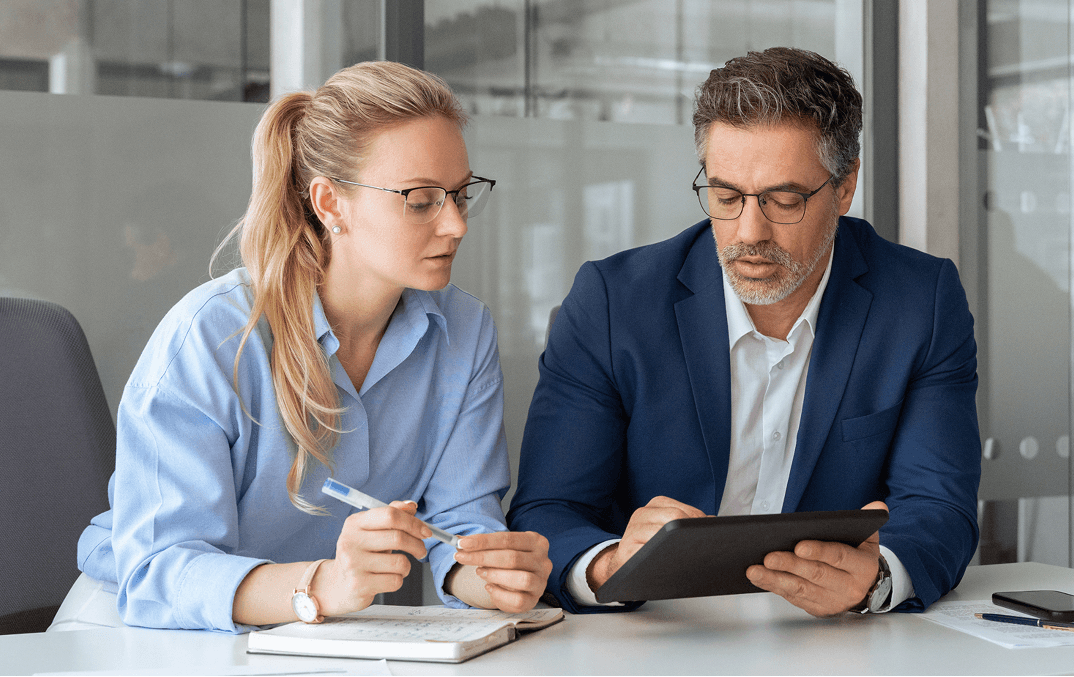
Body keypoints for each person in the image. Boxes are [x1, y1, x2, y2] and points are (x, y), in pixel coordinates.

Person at [51, 62, 552, 633]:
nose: (456, 225)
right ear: (330, 203)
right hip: (141, 632)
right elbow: (160, 572)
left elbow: (460, 523)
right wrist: (324, 584)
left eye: (461, 195)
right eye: (421, 200)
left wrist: (492, 577)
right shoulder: (211, 337)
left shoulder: (463, 330)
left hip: (317, 635)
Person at [509, 47, 980, 617]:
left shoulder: (920, 301)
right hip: (650, 635)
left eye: (783, 200)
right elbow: (547, 510)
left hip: (829, 641)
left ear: (845, 187)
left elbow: (939, 507)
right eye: (726, 196)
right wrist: (610, 565)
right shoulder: (613, 304)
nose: (748, 232)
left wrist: (876, 579)